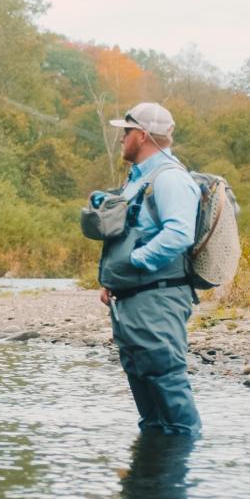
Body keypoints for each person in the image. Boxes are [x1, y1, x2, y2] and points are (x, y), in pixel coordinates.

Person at [97, 102, 203, 436]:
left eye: (125, 132)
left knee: (165, 378)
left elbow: (178, 234)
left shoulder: (171, 179)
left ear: (142, 135)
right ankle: (153, 470)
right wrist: (113, 281)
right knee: (142, 379)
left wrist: (134, 263)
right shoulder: (137, 180)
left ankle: (180, 463)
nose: (121, 139)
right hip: (130, 298)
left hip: (158, 299)